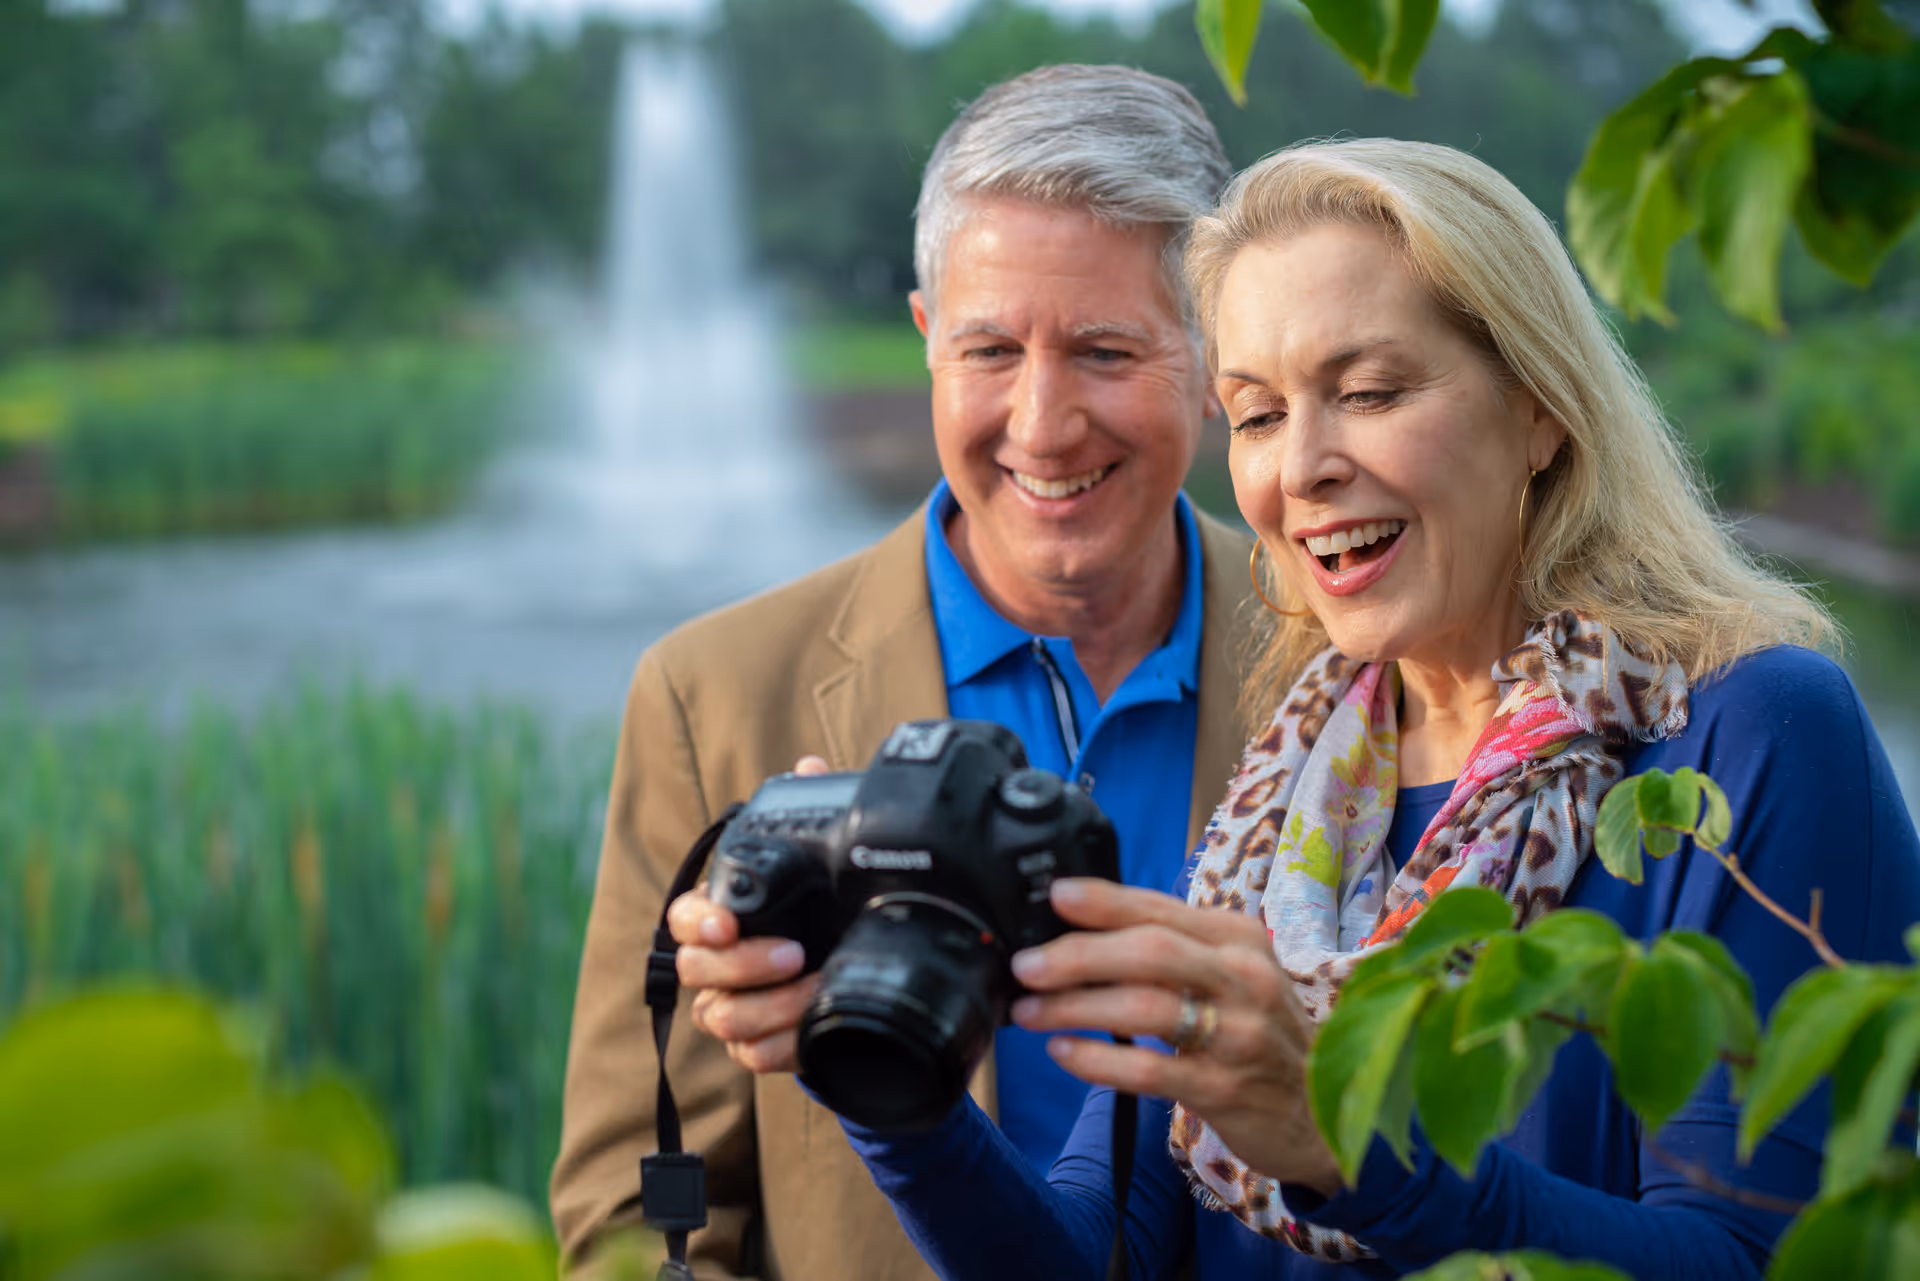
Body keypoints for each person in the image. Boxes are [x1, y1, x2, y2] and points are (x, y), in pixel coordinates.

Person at [669, 138, 1920, 1279]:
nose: (1301, 468)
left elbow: (1769, 1261)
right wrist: (895, 1081)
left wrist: (1351, 1150)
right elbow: (1089, 1260)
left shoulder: (1749, 732)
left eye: (1369, 392)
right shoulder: (1281, 808)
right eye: (1259, 414)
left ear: (1541, 409)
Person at [550, 65, 1259, 1279]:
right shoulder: (710, 698)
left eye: (1102, 350)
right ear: (928, 340)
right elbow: (640, 1214)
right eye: (990, 348)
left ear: (1213, 355)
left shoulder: (1364, 654)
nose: (1041, 424)